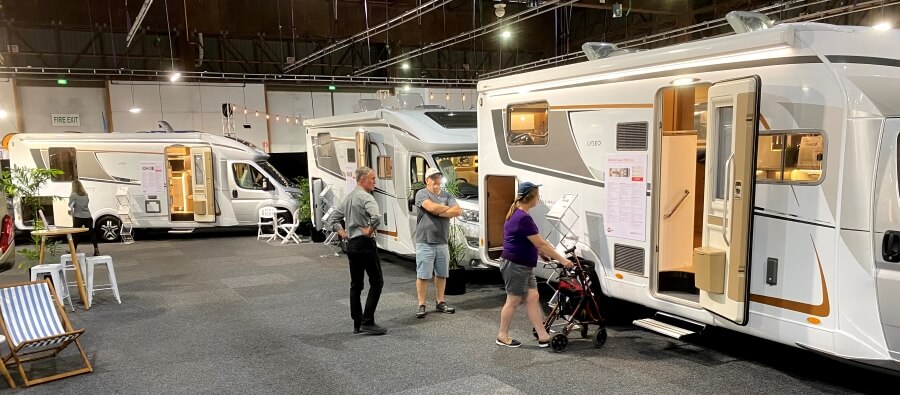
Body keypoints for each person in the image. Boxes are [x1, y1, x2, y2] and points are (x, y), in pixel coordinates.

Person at [495, 181, 573, 348]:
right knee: (513, 300)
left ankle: (543, 334)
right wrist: (563, 260)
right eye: (537, 195)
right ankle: (502, 335)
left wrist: (539, 253)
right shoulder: (522, 217)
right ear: (531, 197)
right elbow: (541, 242)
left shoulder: (519, 213)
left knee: (533, 297)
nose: (539, 198)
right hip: (515, 265)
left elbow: (525, 240)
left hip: (522, 264)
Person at [327, 166, 386, 335]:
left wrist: (343, 233)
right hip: (365, 244)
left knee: (356, 284)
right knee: (377, 282)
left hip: (352, 245)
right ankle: (368, 321)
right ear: (362, 180)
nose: (375, 182)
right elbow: (376, 217)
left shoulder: (348, 198)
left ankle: (357, 323)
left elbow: (333, 219)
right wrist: (368, 230)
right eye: (372, 179)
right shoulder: (366, 197)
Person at [414, 167, 461, 318]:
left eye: (438, 177)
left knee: (441, 274)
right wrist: (446, 210)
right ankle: (421, 304)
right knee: (423, 275)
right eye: (433, 178)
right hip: (425, 241)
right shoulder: (421, 193)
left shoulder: (447, 195)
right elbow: (431, 207)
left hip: (442, 242)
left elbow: (458, 211)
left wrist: (439, 210)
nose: (436, 180)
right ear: (426, 180)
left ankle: (440, 301)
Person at [68, 180, 100, 256]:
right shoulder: (86, 195)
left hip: (78, 216)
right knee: (92, 233)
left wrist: (74, 206)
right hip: (88, 216)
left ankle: (73, 250)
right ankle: (96, 249)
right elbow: (86, 204)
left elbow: (70, 205)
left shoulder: (73, 195)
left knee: (75, 234)